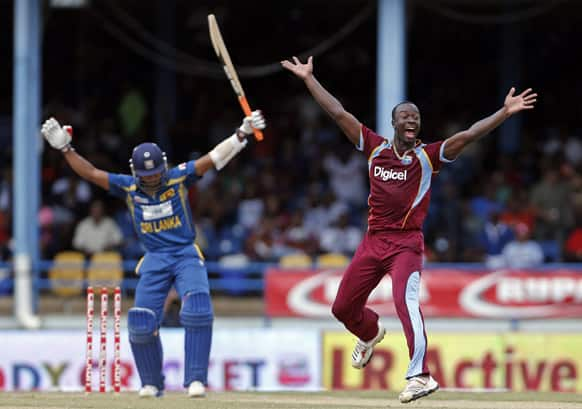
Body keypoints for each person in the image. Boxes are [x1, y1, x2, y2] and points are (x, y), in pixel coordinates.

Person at [281, 56, 536, 403]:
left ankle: (420, 375)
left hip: (406, 245)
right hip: (372, 242)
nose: (411, 119)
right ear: (394, 123)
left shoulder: (428, 157)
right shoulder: (374, 148)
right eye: (405, 116)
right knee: (342, 308)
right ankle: (369, 334)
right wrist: (309, 79)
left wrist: (504, 113)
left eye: (415, 116)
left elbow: (469, 134)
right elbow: (338, 113)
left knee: (406, 301)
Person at [41, 111, 266, 398]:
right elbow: (90, 173)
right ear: (136, 172)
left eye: (155, 173)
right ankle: (151, 383)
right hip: (155, 257)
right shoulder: (129, 187)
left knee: (197, 307)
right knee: (141, 320)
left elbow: (213, 159)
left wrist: (241, 134)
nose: (151, 180)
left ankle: (196, 380)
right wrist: (65, 149)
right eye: (145, 176)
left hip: (185, 253)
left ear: (163, 166)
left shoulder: (177, 178)